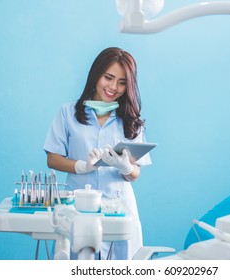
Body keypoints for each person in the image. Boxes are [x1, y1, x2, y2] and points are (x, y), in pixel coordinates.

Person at [43, 47, 151, 260]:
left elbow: (135, 174)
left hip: (120, 209)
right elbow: (52, 158)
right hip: (79, 208)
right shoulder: (68, 113)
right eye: (108, 78)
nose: (113, 87)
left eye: (122, 82)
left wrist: (126, 167)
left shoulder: (131, 121)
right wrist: (82, 166)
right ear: (96, 75)